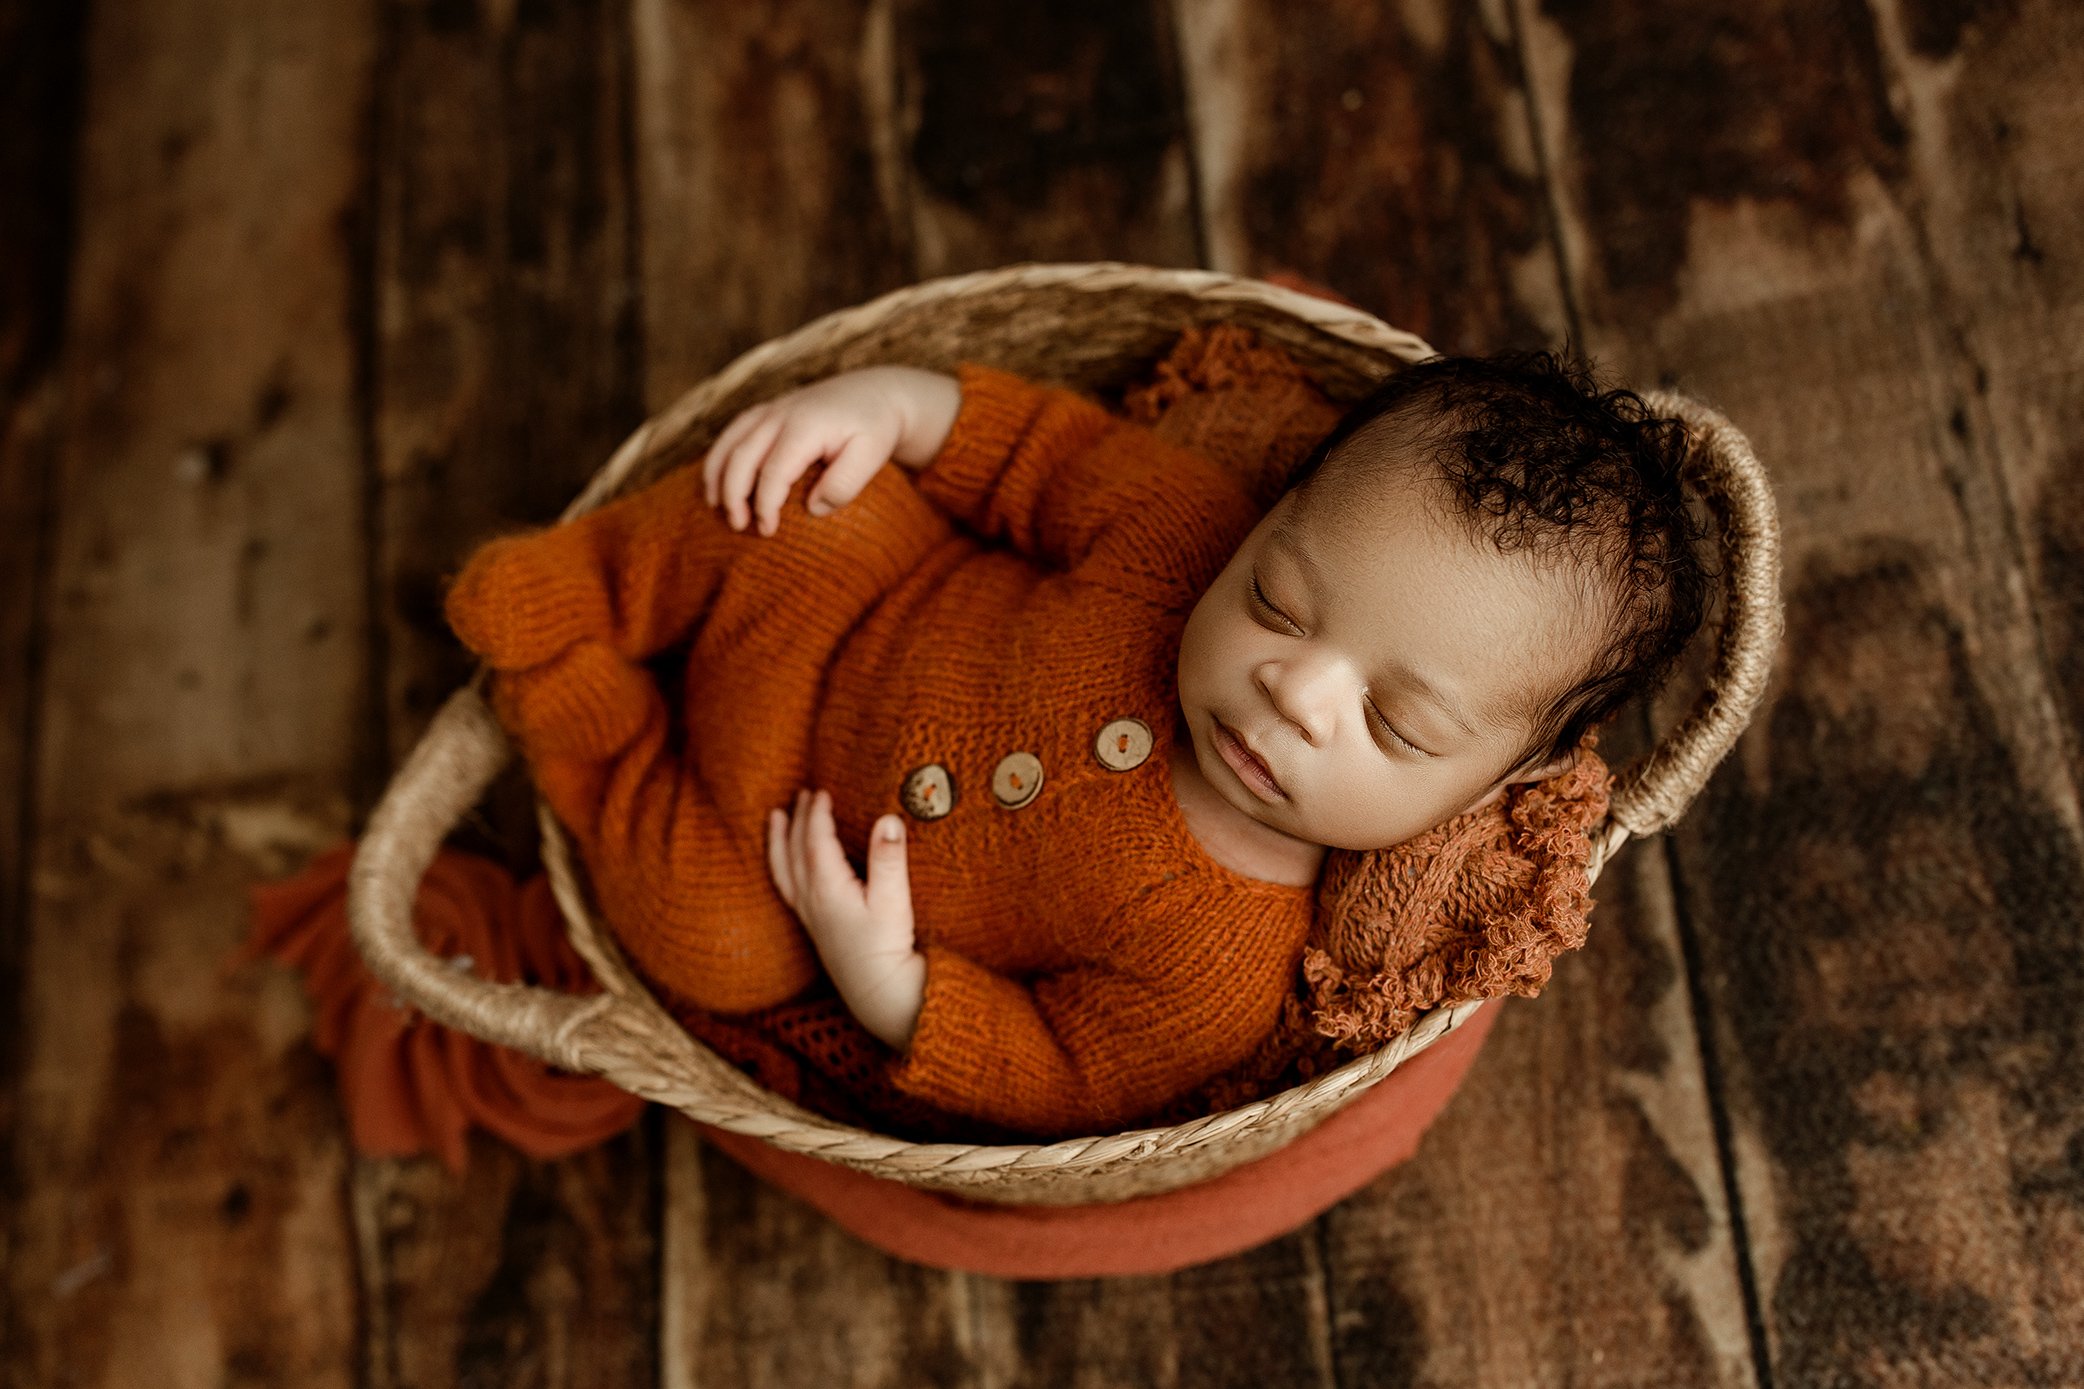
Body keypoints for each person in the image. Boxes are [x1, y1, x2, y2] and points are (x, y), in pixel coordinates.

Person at [443, 346, 1707, 1139]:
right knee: (808, 498)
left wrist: (888, 984)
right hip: (851, 600)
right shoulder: (1174, 530)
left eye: (1394, 724)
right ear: (1268, 512)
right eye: (1278, 600)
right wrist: (888, 405)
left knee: (708, 945)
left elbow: (1064, 1076)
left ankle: (582, 714)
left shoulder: (1221, 963)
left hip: (782, 861)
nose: (1292, 690)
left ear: (1501, 784)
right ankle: (585, 586)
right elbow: (1036, 456)